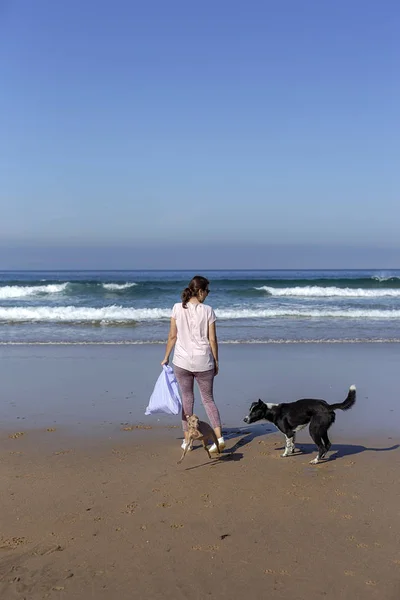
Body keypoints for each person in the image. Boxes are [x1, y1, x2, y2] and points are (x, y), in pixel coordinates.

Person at [161, 275, 225, 453]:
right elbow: (212, 339)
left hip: (182, 361)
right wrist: (216, 361)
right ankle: (219, 438)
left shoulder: (176, 308)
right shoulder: (208, 310)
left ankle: (186, 441)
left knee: (187, 399)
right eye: (207, 291)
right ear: (201, 291)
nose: (208, 295)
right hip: (204, 361)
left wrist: (166, 357)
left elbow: (172, 336)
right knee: (208, 400)